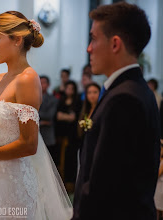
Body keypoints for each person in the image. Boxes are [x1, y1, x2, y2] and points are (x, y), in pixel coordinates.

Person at [0, 11, 72, 219]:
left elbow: (29, 144)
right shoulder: (0, 78)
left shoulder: (28, 79)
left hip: (13, 182)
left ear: (17, 40)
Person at [72, 2, 160, 220]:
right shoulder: (135, 89)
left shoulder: (123, 99)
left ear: (115, 44)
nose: (88, 48)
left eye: (93, 38)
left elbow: (104, 184)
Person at [55, 80, 82, 192]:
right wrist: (67, 117)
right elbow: (58, 116)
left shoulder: (77, 102)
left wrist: (64, 116)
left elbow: (73, 118)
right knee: (60, 160)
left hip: (72, 137)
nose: (69, 90)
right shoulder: (61, 101)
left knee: (71, 161)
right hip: (61, 136)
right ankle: (61, 185)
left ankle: (71, 186)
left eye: (72, 88)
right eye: (68, 88)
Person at [39, 75, 59, 163]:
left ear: (48, 85)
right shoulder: (32, 97)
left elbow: (50, 115)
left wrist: (35, 114)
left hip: (47, 135)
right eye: (40, 82)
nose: (42, 85)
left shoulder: (53, 99)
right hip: (35, 133)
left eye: (44, 83)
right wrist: (42, 121)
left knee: (47, 162)